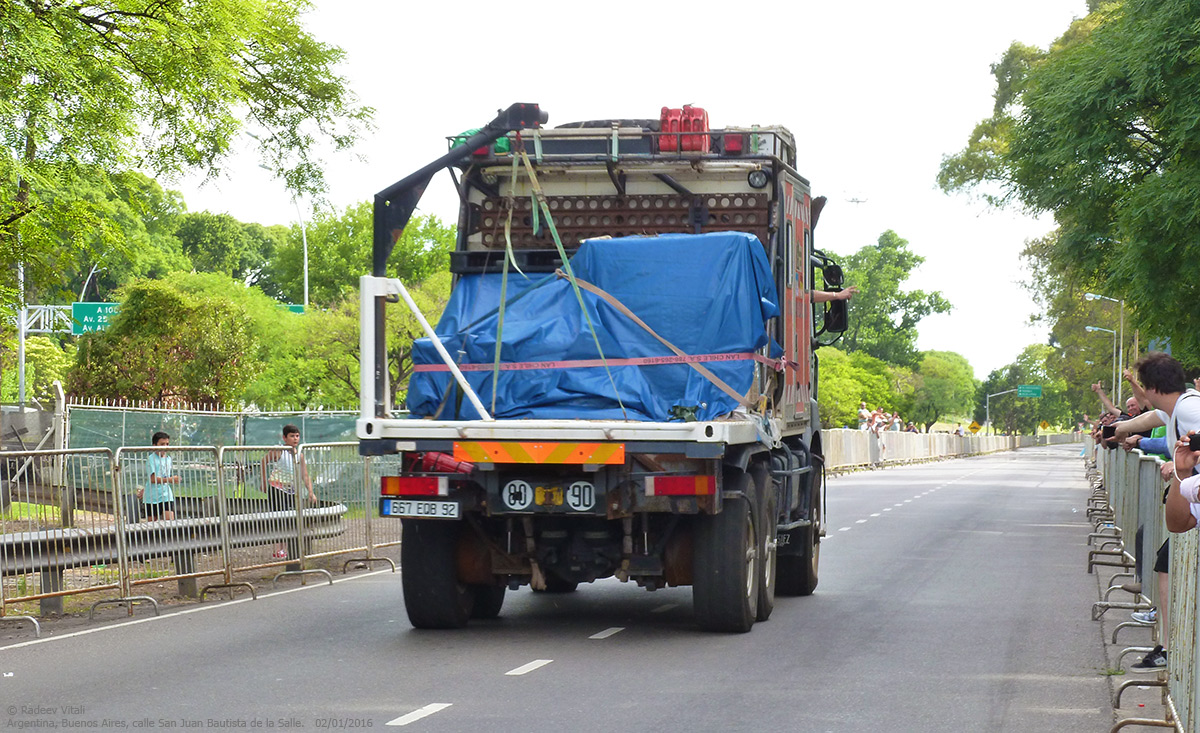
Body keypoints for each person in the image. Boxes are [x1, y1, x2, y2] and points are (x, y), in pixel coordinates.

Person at [1113, 352, 1200, 671]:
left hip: (1192, 502)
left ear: (1149, 388)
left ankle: (1171, 646)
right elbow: (1142, 422)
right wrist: (1119, 432)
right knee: (1166, 560)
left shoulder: (1190, 408)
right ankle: (1170, 644)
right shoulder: (1174, 410)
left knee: (1167, 562)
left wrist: (1179, 467)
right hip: (1188, 505)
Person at [261, 424, 317, 559]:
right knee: (279, 519)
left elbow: (305, 474)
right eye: (292, 436)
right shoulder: (279, 451)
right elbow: (264, 462)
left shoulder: (300, 455)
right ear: (285, 438)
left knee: (290, 519)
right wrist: (264, 482)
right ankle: (278, 548)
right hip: (277, 488)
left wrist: (311, 491)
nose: (295, 439)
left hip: (291, 491)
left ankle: (287, 548)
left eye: (297, 436)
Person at [143, 431, 180, 521]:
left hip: (166, 495)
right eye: (162, 444)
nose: (165, 446)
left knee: (170, 521)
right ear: (155, 445)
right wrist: (170, 479)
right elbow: (152, 479)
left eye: (167, 444)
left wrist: (170, 479)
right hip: (152, 497)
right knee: (152, 524)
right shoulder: (151, 459)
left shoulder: (168, 459)